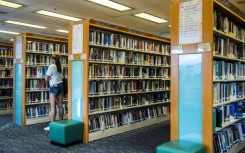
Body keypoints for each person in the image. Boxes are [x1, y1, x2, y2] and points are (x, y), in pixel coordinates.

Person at [44, 51, 64, 131]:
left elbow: (46, 79)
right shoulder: (60, 66)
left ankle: (52, 125)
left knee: (53, 107)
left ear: (52, 58)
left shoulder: (52, 66)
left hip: (54, 86)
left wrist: (49, 78)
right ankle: (62, 123)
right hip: (61, 86)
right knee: (60, 105)